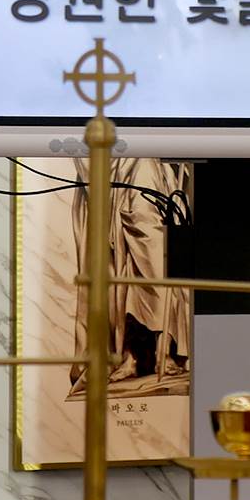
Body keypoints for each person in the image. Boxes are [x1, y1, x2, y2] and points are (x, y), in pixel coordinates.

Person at [67, 158, 190, 394]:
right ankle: (131, 355)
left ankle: (164, 349)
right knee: (123, 265)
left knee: (152, 249)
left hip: (146, 163)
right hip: (112, 169)